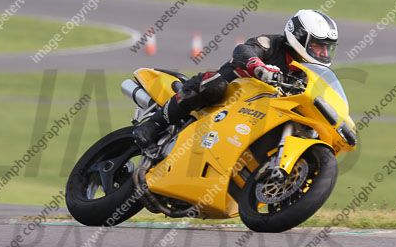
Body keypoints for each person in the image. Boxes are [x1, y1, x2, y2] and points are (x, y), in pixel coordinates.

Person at [133, 9, 338, 150]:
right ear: (300, 37)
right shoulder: (271, 43)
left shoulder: (307, 72)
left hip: (257, 113)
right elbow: (244, 49)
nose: (322, 52)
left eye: (326, 48)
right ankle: (155, 124)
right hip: (229, 94)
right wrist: (259, 67)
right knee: (214, 85)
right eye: (318, 45)